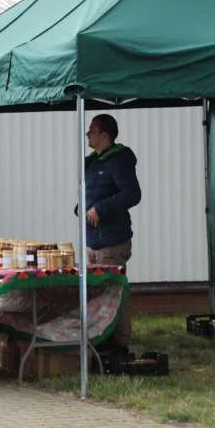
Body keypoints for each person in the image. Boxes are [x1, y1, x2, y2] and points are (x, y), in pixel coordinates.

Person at [84, 113, 141, 346]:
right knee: (97, 292)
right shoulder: (93, 161)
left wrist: (101, 208)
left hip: (112, 240)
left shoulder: (119, 159)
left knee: (113, 291)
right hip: (94, 239)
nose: (88, 135)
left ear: (105, 135)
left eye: (92, 131)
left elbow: (131, 194)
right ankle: (101, 337)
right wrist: (82, 208)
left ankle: (120, 341)